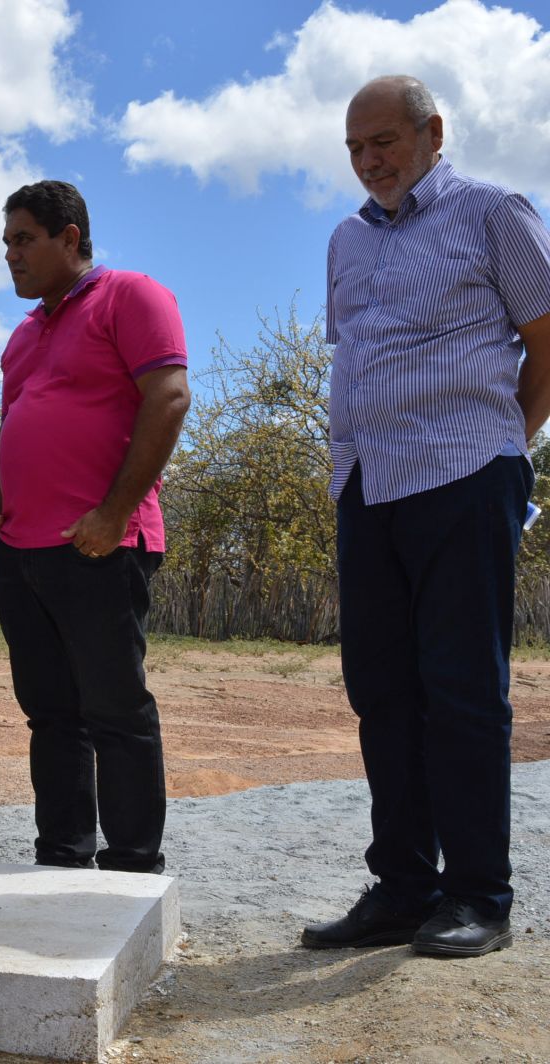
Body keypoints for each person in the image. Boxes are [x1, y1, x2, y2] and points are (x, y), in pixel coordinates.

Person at [301, 76, 550, 958]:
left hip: (465, 472)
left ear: (432, 132)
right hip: (367, 482)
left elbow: (546, 338)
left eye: (385, 142)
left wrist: (504, 446)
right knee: (381, 689)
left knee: (463, 690)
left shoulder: (492, 212)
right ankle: (405, 888)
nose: (370, 162)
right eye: (355, 148)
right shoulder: (345, 239)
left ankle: (479, 894)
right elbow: (358, 354)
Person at [0, 180, 190, 875]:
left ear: (69, 237)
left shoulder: (132, 296)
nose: (10, 254)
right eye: (6, 242)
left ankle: (132, 865)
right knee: (50, 714)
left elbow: (169, 397)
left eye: (23, 239)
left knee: (115, 708)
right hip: (23, 552)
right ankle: (61, 857)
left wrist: (114, 512)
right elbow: (9, 428)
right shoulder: (24, 334)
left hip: (100, 544)